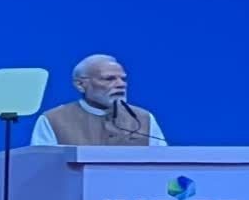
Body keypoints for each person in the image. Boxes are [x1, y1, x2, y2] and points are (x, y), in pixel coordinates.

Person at [31, 54, 167, 146]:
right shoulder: (53, 120)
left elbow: (163, 166)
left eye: (123, 79)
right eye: (109, 79)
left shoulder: (143, 118)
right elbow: (41, 167)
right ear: (80, 85)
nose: (121, 84)